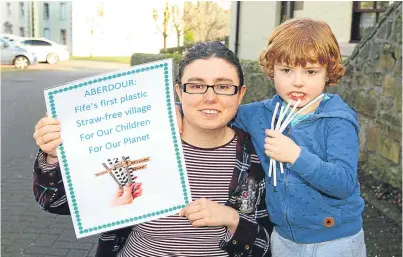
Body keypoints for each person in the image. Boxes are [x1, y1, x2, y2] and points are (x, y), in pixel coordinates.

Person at [32, 41, 273, 257]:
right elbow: (54, 202)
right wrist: (53, 156)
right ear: (179, 91)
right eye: (196, 86)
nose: (210, 97)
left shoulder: (257, 157)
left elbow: (266, 244)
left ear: (240, 94)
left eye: (223, 86)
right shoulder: (140, 140)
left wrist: (232, 220)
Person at [176, 18, 367, 256]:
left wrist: (296, 156)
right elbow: (220, 110)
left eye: (310, 71)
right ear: (272, 70)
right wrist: (177, 109)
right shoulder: (260, 114)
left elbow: (344, 183)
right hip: (284, 238)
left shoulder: (338, 120)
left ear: (328, 72)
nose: (297, 81)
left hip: (335, 238)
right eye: (286, 70)